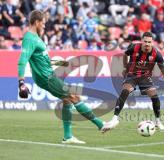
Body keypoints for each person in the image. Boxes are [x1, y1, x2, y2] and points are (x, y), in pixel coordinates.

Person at [18, 10, 113, 144]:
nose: (44, 26)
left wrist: (61, 63)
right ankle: (100, 125)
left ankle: (67, 137)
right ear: (37, 22)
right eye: (43, 23)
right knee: (74, 97)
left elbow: (42, 59)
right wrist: (21, 82)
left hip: (48, 74)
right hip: (46, 77)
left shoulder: (36, 38)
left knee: (68, 100)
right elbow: (23, 59)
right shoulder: (29, 38)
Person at [107, 32, 164, 131]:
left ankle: (158, 121)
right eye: (145, 41)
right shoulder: (134, 48)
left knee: (154, 95)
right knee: (125, 91)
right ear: (142, 41)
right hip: (132, 75)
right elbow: (125, 54)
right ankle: (114, 118)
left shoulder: (156, 54)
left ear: (152, 42)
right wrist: (125, 67)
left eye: (149, 42)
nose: (147, 44)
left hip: (145, 77)